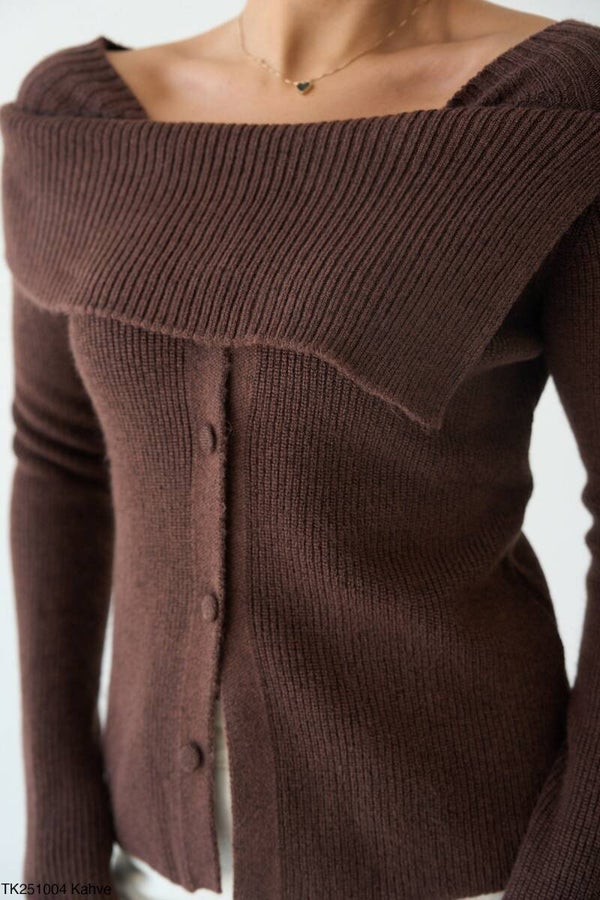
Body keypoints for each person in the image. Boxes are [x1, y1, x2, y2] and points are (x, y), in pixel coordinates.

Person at [2, 0, 600, 897]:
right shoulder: (79, 116)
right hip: (147, 865)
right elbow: (59, 464)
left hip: (466, 863)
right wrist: (58, 850)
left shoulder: (549, 107)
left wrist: (572, 872)